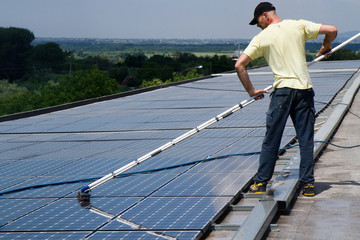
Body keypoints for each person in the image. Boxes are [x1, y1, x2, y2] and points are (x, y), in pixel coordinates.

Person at [235, 2, 337, 196]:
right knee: (306, 139)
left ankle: (261, 183)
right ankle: (307, 185)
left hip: (282, 93)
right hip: (304, 91)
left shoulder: (262, 37)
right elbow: (332, 29)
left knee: (272, 139)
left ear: (265, 15)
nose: (258, 25)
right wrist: (326, 44)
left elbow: (239, 65)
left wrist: (251, 91)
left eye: (257, 21)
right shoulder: (298, 25)